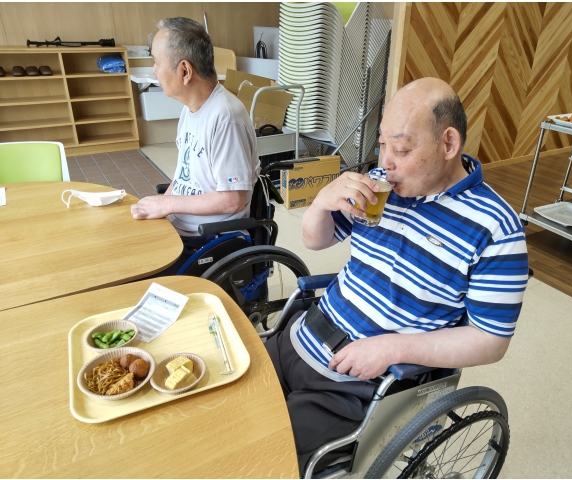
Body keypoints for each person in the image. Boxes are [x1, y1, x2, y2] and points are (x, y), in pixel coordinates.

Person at [265, 77, 529, 475]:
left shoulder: (495, 229)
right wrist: (321, 204)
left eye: (402, 149)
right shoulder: (380, 186)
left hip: (356, 387)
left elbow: (491, 341)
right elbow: (315, 241)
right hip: (299, 335)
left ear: (448, 144)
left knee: (261, 456)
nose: (386, 162)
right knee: (219, 406)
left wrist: (391, 348)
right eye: (383, 145)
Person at [131, 17, 260, 271]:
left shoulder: (226, 117)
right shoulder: (190, 109)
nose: (154, 70)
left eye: (156, 62)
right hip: (180, 227)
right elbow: (185, 175)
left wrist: (167, 204)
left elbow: (232, 200)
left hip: (208, 238)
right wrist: (160, 204)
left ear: (184, 71)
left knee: (137, 275)